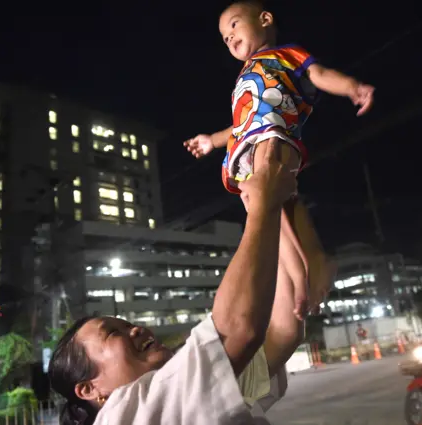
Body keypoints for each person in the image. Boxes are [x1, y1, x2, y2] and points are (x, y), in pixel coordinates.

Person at [49, 140, 315, 425]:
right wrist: (264, 202)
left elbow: (283, 331)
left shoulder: (193, 389)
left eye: (126, 324)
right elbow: (240, 328)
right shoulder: (119, 417)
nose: (136, 329)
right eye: (113, 333)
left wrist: (268, 206)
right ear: (90, 389)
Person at [184, 0, 375, 319]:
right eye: (223, 37)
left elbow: (320, 73)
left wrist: (352, 87)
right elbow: (241, 123)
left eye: (233, 25)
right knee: (269, 212)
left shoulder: (285, 55)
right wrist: (211, 141)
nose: (229, 38)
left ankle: (310, 270)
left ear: (265, 19)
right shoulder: (245, 75)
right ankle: (304, 275)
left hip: (274, 136)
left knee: (272, 203)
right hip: (246, 146)